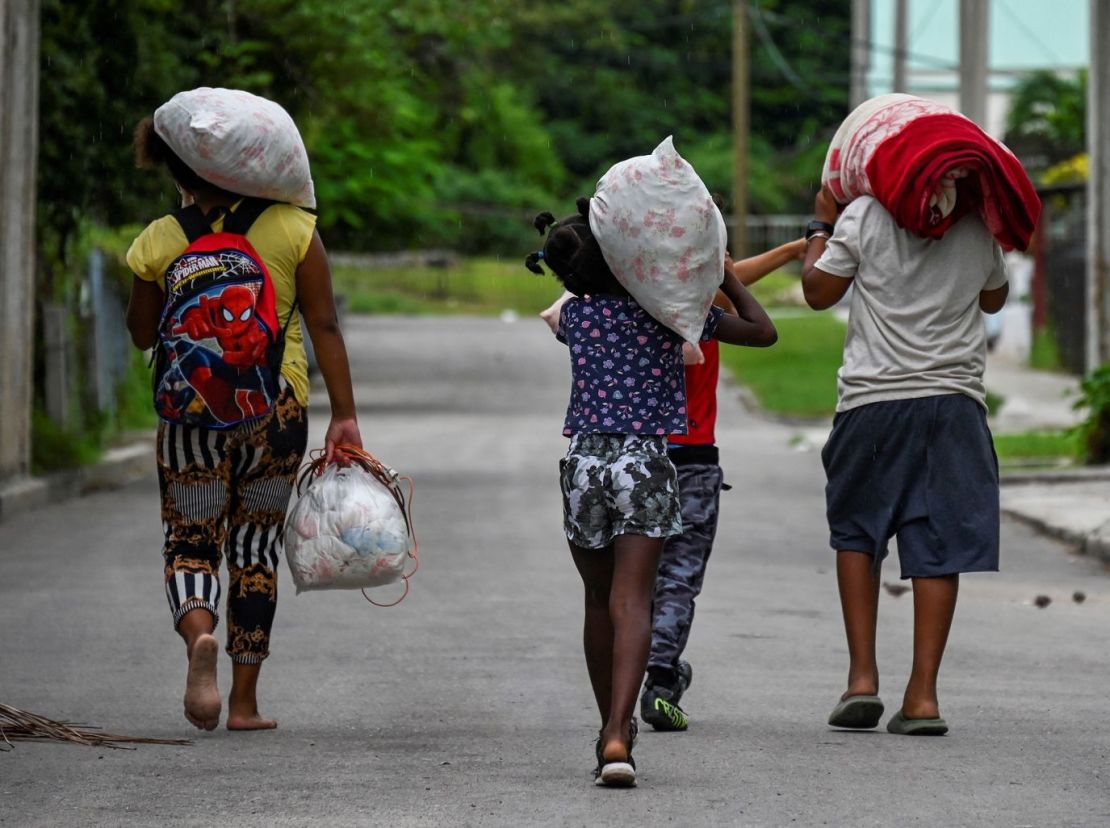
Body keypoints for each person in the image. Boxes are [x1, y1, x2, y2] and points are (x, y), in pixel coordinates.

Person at [526, 197, 777, 786]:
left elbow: (569, 296)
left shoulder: (575, 318)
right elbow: (763, 333)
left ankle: (607, 728)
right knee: (634, 602)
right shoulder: (670, 316)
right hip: (645, 465)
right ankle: (619, 731)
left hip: (585, 464)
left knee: (597, 601)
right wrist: (723, 274)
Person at [125, 113, 362, 732]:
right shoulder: (294, 229)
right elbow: (324, 325)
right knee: (254, 546)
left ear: (180, 171)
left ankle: (198, 633)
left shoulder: (159, 237)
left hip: (189, 413)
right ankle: (244, 703)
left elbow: (141, 333)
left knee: (190, 543)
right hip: (275, 406)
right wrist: (345, 414)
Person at [801, 186, 1008, 736]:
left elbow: (818, 291)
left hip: (874, 401)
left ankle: (862, 679)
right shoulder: (976, 224)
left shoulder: (867, 215)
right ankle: (922, 697)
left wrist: (821, 225)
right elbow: (994, 300)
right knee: (938, 544)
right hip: (954, 404)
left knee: (857, 531)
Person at [640, 238, 805, 733]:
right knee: (678, 577)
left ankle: (620, 683)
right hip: (691, 459)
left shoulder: (629, 301)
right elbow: (743, 302)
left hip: (636, 456)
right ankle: (662, 678)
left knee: (632, 579)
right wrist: (731, 268)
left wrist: (793, 248)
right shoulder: (702, 308)